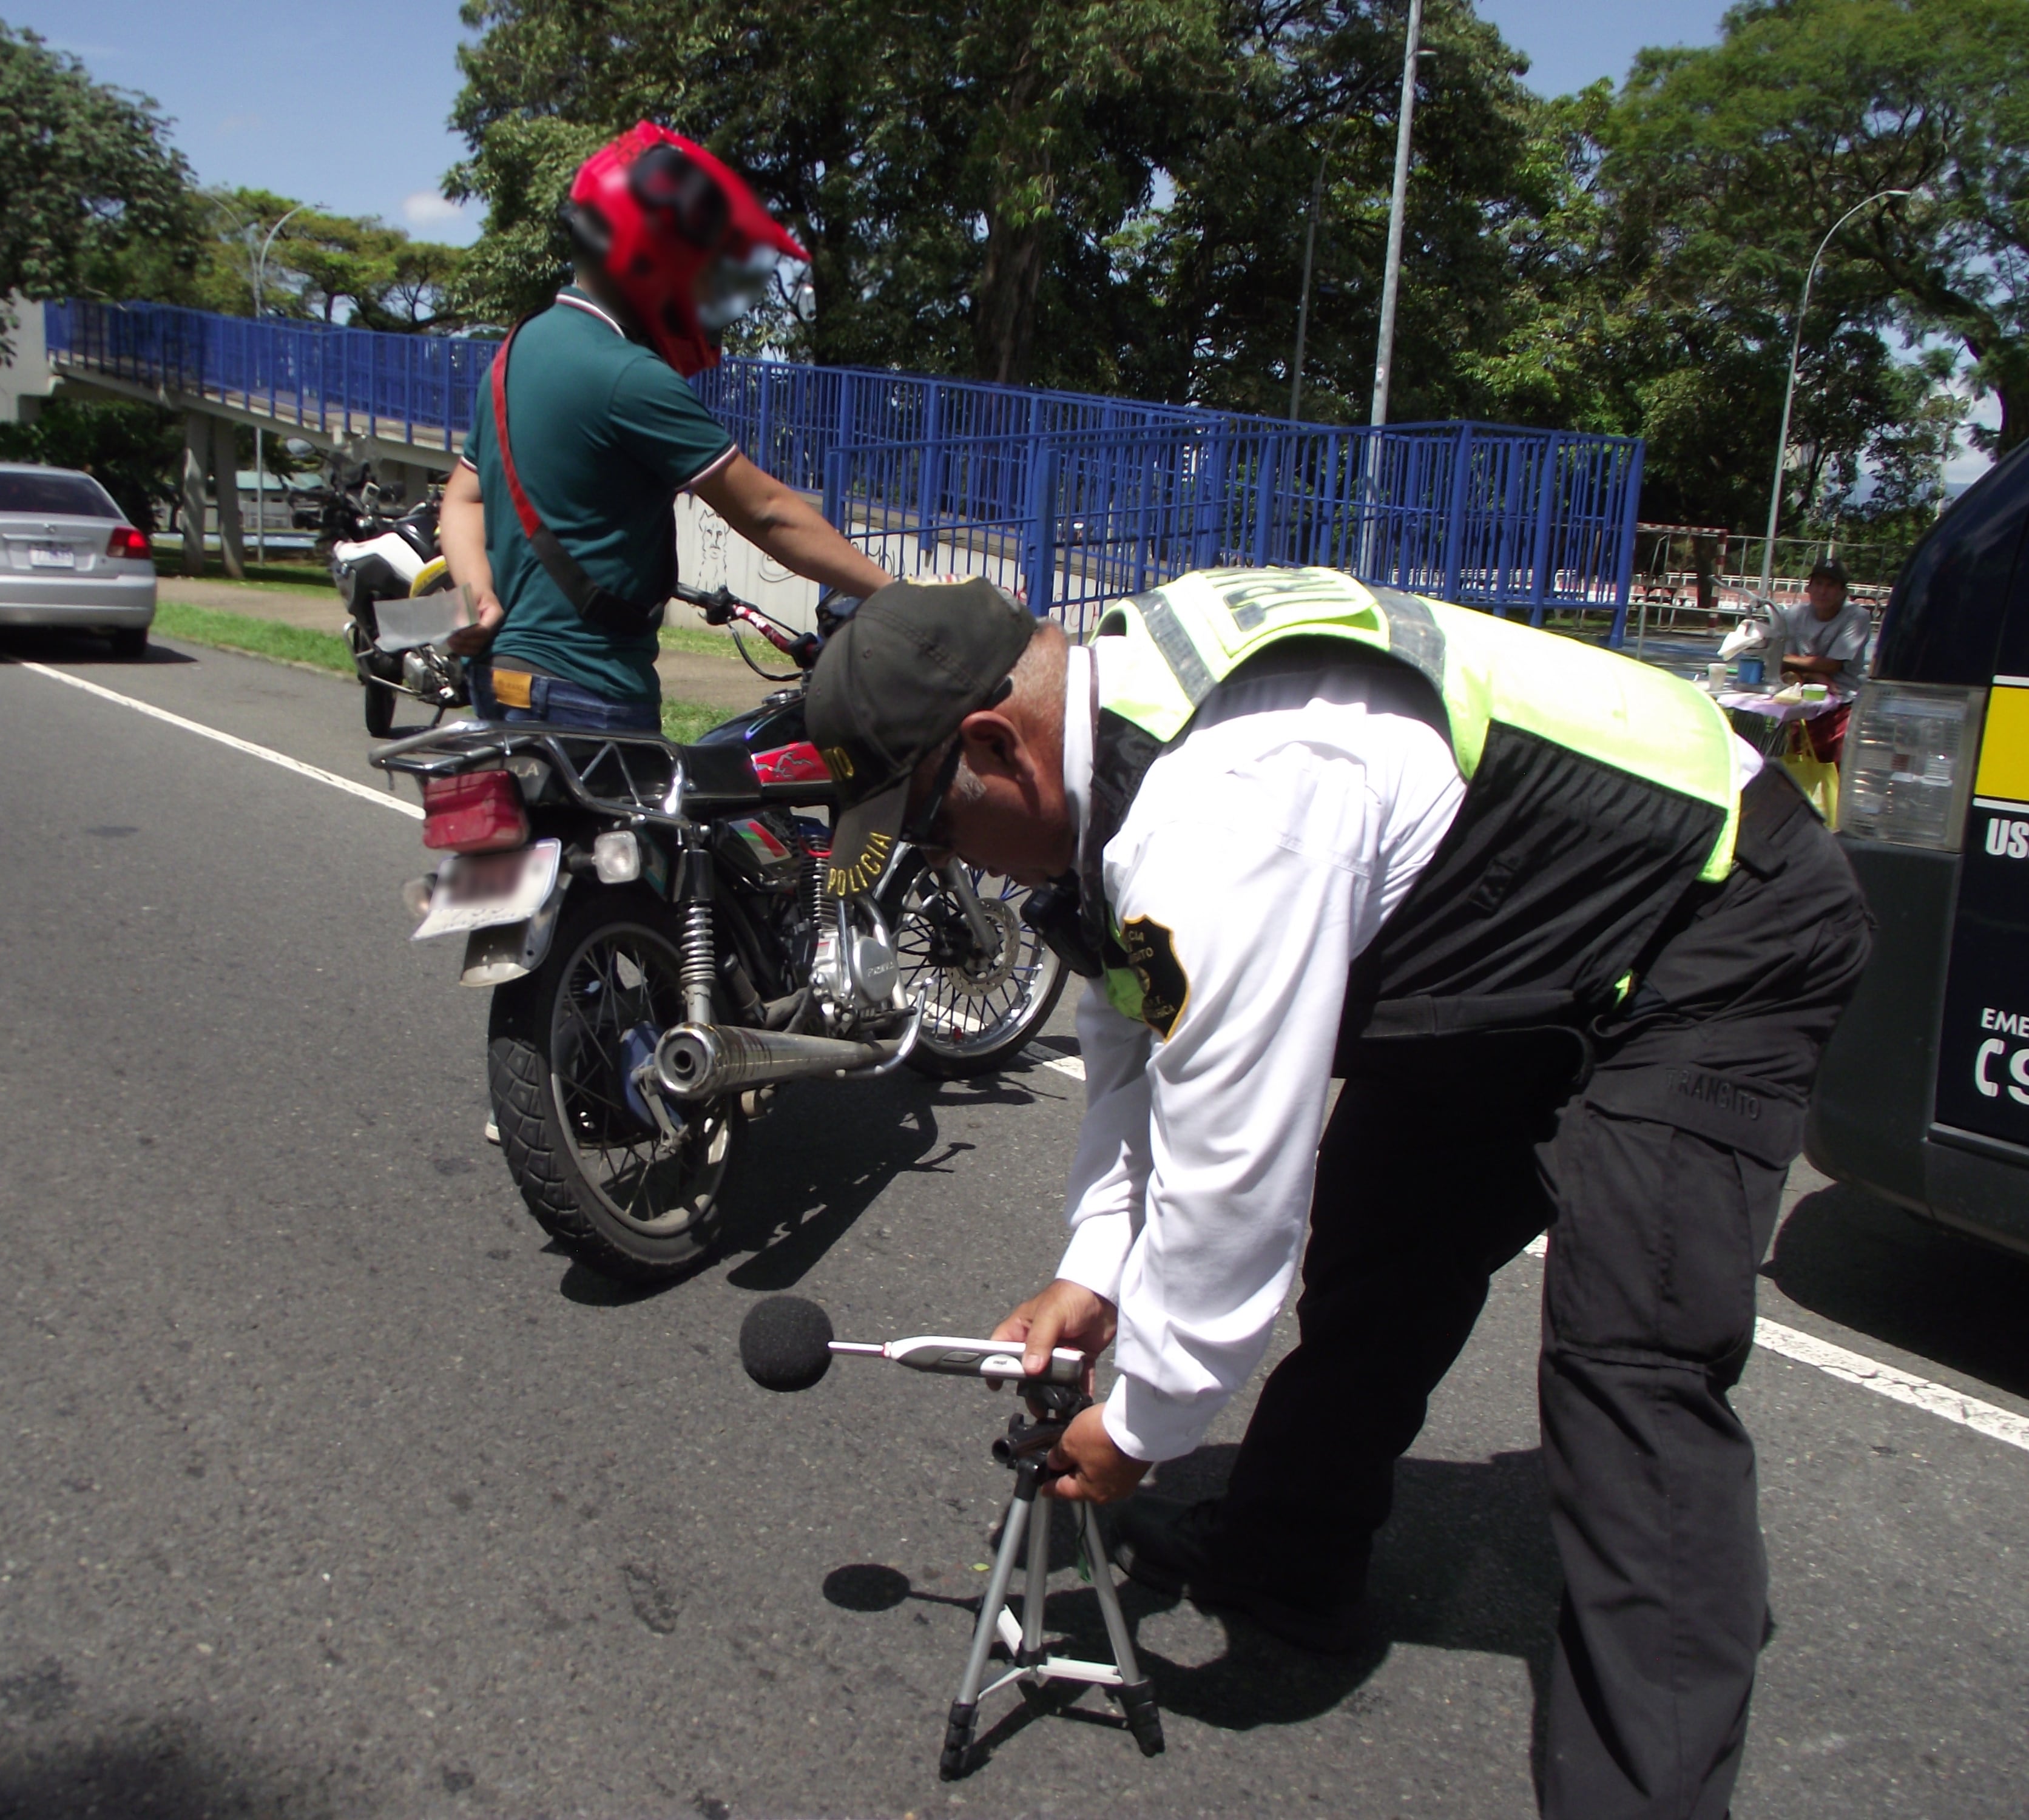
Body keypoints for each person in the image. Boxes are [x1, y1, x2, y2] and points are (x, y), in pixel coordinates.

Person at [803, 569, 1872, 1819]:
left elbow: (1232, 1168)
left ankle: (1647, 1793)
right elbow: (1139, 1045)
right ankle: (1286, 1564)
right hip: (1522, 922)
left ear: (995, 747)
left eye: (931, 831)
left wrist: (1144, 1421)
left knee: (1631, 1365)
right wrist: (1094, 1267)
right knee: (1383, 1240)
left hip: (1713, 918)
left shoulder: (1226, 811)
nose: (943, 866)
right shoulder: (1119, 737)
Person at [436, 121, 890, 732]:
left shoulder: (518, 348)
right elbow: (767, 513)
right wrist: (896, 593)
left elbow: (462, 498)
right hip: (588, 692)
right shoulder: (627, 376)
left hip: (504, 681)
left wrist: (478, 595)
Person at [1778, 557, 1871, 763]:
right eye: (1818, 584)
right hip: (1801, 704)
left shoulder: (1857, 617)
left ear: (1843, 592)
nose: (1823, 591)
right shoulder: (1794, 615)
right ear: (1809, 588)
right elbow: (1781, 664)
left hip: (1842, 705)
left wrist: (1811, 669)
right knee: (1795, 771)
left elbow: (1833, 665)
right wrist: (1813, 673)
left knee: (1835, 773)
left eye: (1830, 586)